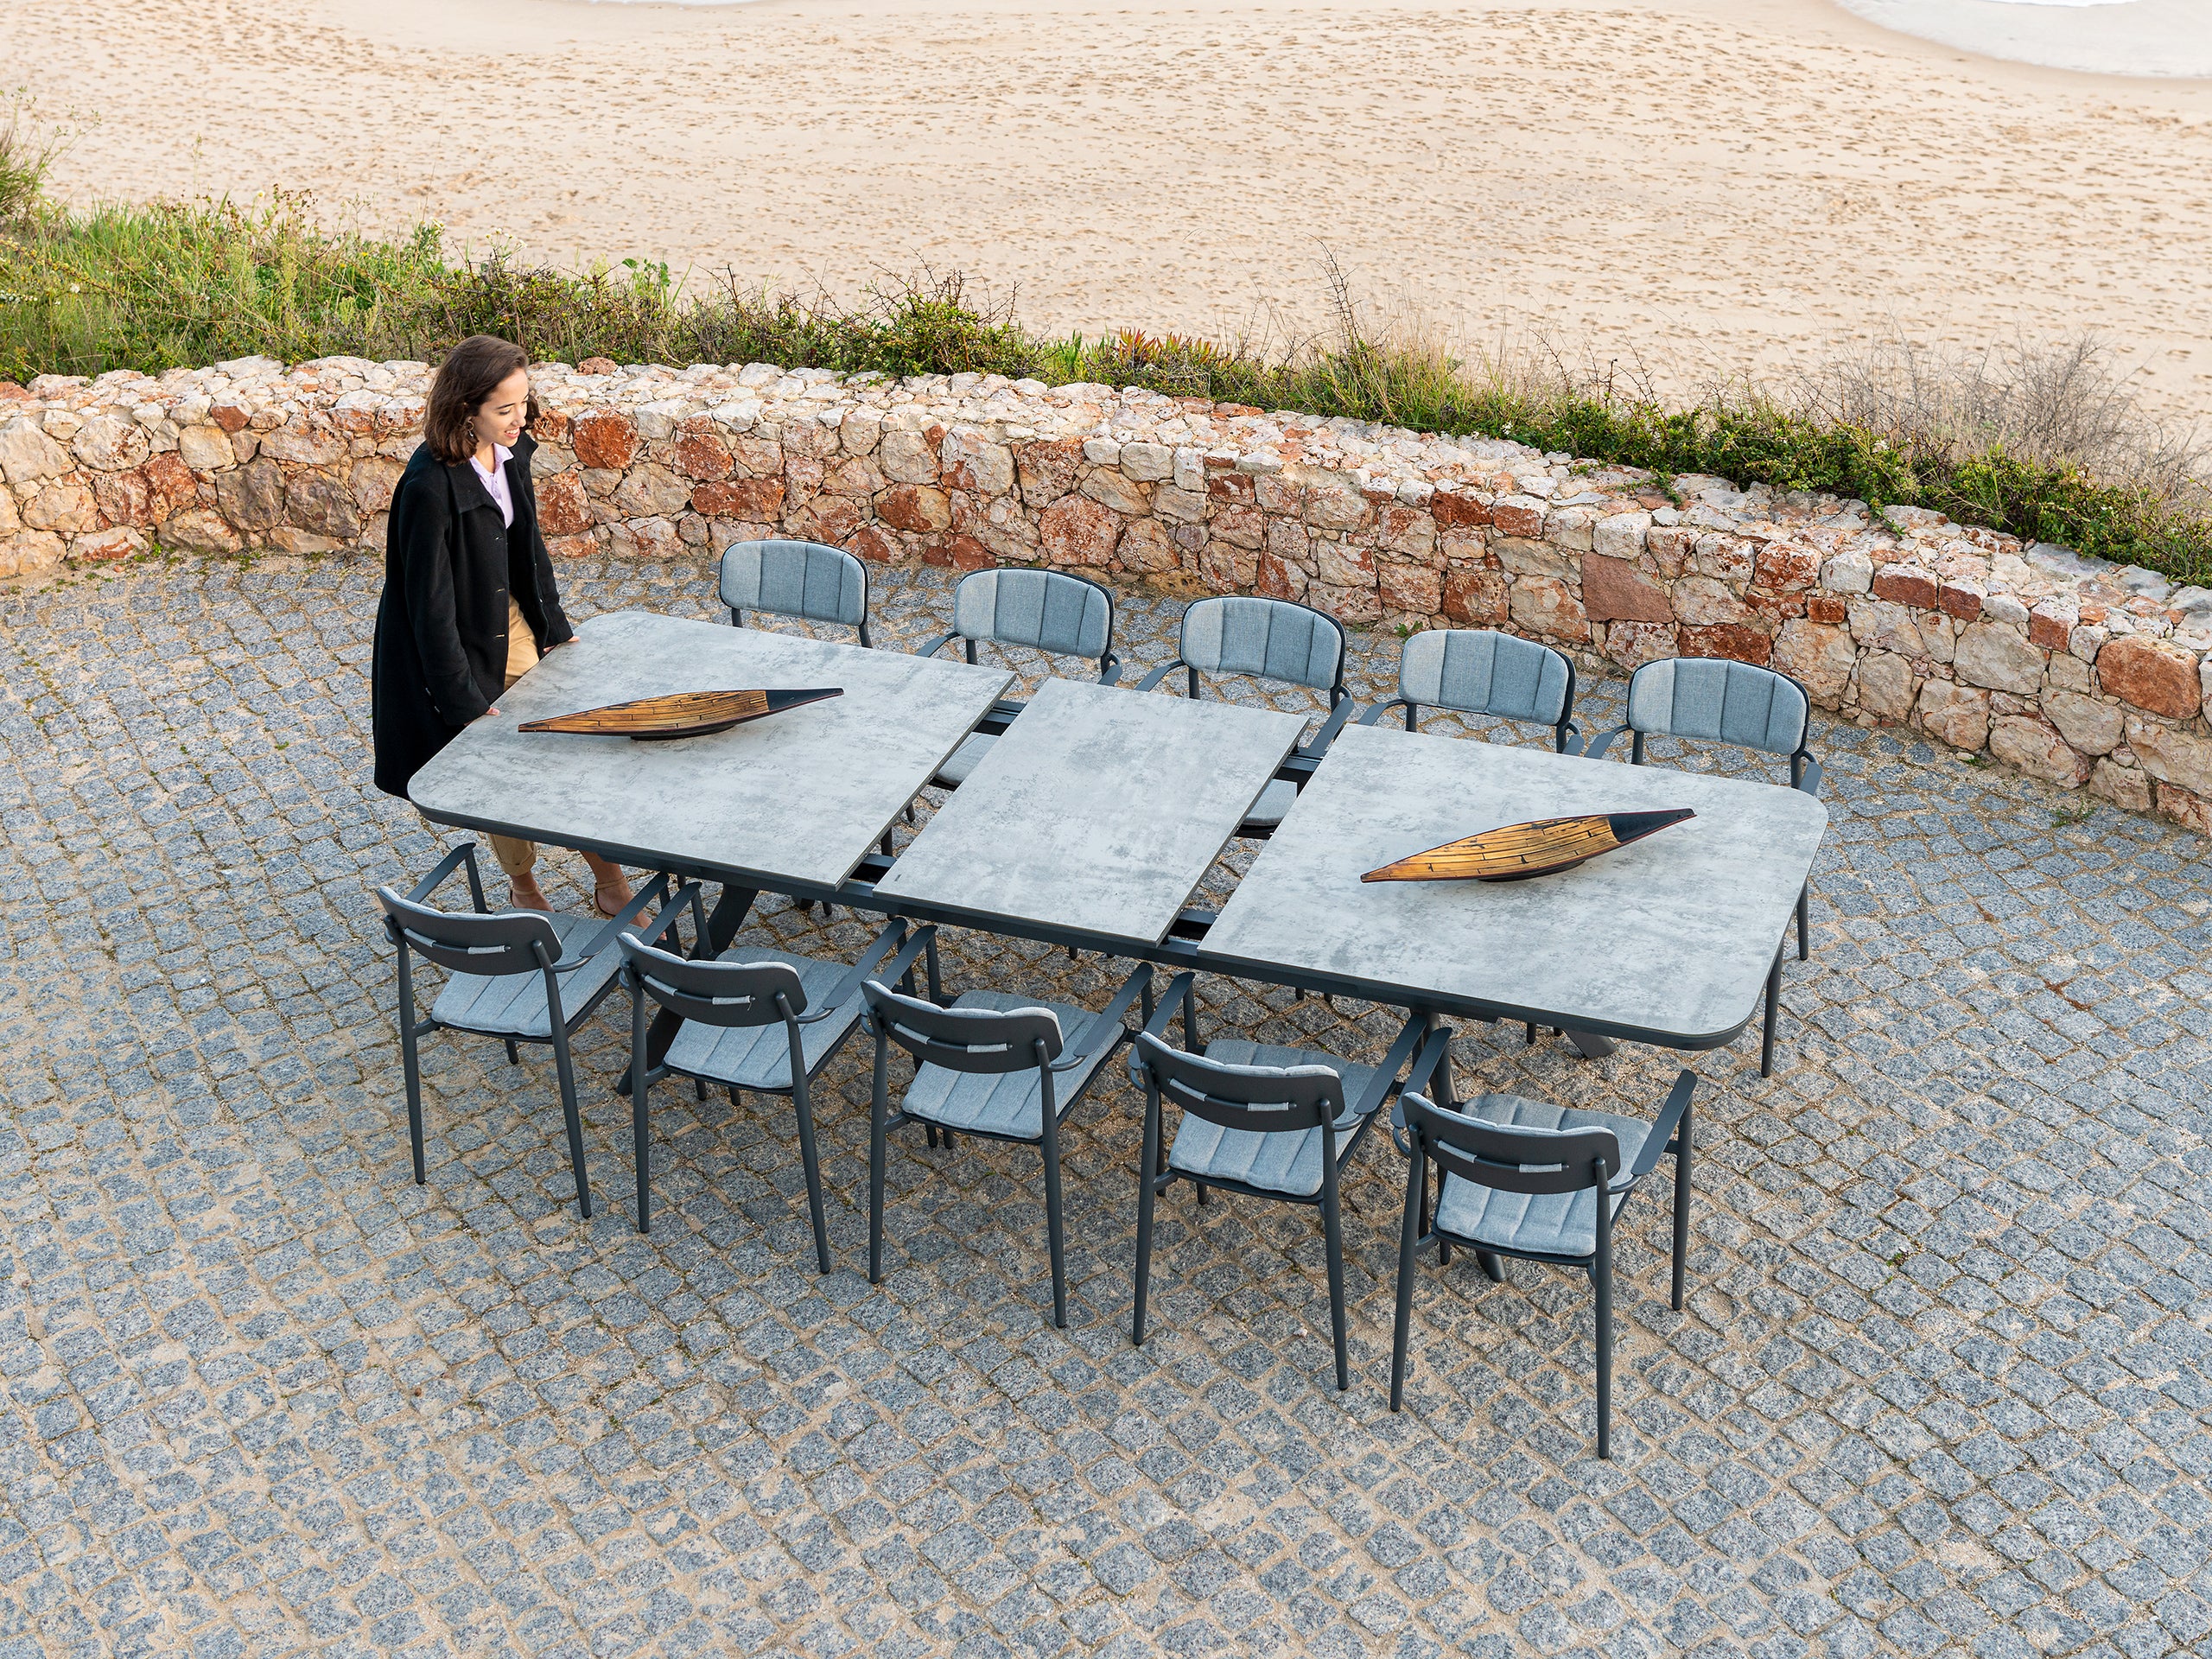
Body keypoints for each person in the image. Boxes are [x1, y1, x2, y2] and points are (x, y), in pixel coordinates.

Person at [370, 334, 633, 917]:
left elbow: (529, 546)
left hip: (511, 620)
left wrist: (557, 627)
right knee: (503, 766)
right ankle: (524, 885)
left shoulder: (512, 452)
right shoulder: (428, 487)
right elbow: (428, 607)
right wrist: (462, 698)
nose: (520, 419)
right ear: (467, 409)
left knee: (566, 749)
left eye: (523, 402)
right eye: (505, 409)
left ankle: (609, 879)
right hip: (461, 644)